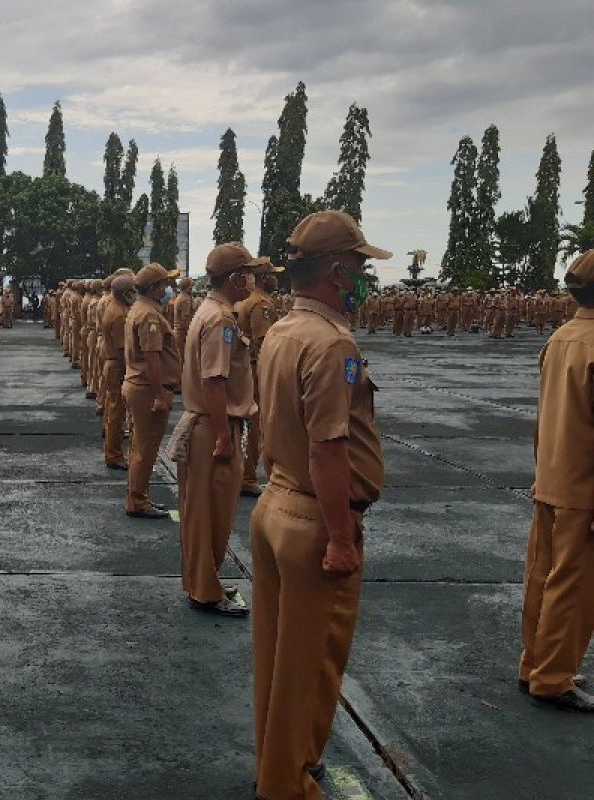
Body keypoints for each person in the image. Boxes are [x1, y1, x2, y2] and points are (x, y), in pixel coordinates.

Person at [250, 210, 389, 800]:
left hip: (276, 506)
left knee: (278, 661)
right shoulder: (333, 344)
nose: (363, 276)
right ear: (336, 270)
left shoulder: (283, 330)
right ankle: (289, 784)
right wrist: (339, 536)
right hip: (313, 518)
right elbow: (329, 447)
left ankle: (281, 764)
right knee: (310, 668)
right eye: (359, 266)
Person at [519, 248, 594, 713]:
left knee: (540, 577)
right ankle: (553, 677)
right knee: (575, 585)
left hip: (552, 476)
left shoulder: (564, 336)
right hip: (585, 487)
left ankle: (536, 664)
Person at [174, 243, 265, 619]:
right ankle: (206, 591)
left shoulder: (210, 310)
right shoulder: (222, 319)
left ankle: (202, 580)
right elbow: (215, 381)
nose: (253, 280)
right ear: (234, 278)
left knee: (201, 514)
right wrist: (225, 437)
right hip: (213, 425)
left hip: (206, 423)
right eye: (248, 273)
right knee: (211, 514)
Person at [123, 262, 181, 519]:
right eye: (165, 284)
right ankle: (138, 501)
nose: (168, 288)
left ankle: (138, 496)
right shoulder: (149, 315)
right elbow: (153, 358)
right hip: (148, 388)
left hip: (140, 385)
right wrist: (159, 395)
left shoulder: (141, 308)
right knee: (145, 448)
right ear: (155, 287)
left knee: (140, 446)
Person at [236, 260, 284, 497]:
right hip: (257, 370)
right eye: (273, 275)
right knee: (255, 427)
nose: (277, 279)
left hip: (249, 368)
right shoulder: (261, 303)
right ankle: (248, 477)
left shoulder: (250, 301)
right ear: (264, 278)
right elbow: (263, 342)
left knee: (251, 424)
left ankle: (246, 475)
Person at [100, 272, 134, 470]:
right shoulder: (120, 313)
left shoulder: (114, 307)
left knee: (112, 408)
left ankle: (112, 450)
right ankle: (114, 454)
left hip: (111, 362)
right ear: (125, 293)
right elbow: (123, 349)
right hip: (117, 364)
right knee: (117, 412)